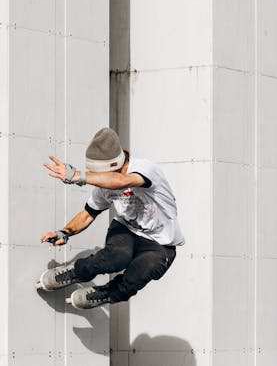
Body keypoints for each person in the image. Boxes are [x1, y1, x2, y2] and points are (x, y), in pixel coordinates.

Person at [37, 127, 185, 309]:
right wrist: (64, 232)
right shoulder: (105, 188)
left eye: (103, 175)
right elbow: (88, 214)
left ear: (113, 167)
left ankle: (106, 293)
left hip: (161, 243)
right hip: (126, 230)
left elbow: (124, 182)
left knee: (136, 278)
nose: (102, 180)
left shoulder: (145, 169)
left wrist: (78, 176)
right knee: (116, 257)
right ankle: (74, 272)